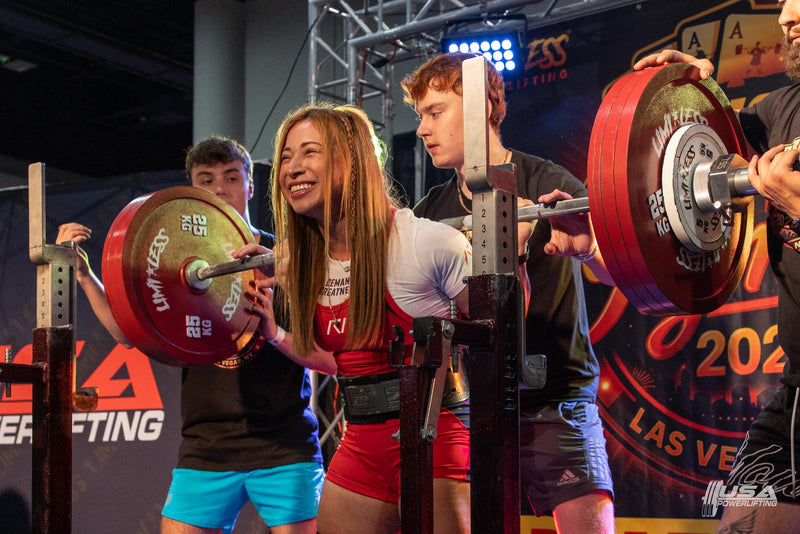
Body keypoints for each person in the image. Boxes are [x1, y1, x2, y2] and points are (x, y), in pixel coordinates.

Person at [233, 102, 533, 534]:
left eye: (309, 152)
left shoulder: (425, 244)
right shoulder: (303, 266)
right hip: (360, 445)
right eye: (285, 156)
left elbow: (506, 338)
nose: (292, 168)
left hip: (436, 439)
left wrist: (514, 257)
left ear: (350, 162)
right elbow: (338, 358)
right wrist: (276, 316)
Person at [56, 136, 332, 534]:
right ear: (191, 192)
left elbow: (323, 354)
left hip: (283, 446)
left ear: (250, 186)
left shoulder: (283, 257)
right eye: (206, 180)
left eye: (231, 179)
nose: (220, 190)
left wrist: (275, 328)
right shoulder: (170, 263)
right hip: (207, 448)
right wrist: (83, 274)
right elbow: (127, 333)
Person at [401, 52, 615, 534]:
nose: (421, 130)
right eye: (420, 116)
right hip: (471, 403)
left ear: (481, 106)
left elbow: (613, 271)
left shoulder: (548, 182)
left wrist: (585, 249)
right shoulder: (429, 212)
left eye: (435, 113)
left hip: (556, 395)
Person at [634, 1, 800, 530]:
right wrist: (689, 89)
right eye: (783, 5)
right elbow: (708, 135)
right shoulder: (782, 109)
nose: (786, 19)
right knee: (741, 519)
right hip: (797, 386)